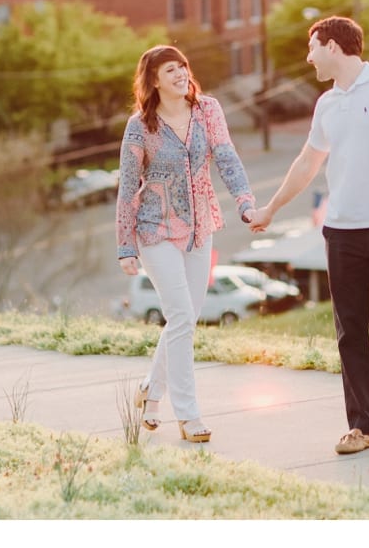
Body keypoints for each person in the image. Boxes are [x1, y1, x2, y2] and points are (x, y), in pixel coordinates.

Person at [249, 16, 369, 455]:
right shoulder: (326, 104)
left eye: (312, 48)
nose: (308, 58)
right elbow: (308, 162)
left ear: (331, 46)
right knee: (351, 332)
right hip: (342, 231)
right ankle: (361, 425)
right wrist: (272, 208)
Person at [115, 44, 258, 443]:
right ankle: (189, 415)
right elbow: (128, 187)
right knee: (180, 317)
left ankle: (150, 391)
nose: (180, 75)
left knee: (185, 319)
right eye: (170, 70)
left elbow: (226, 159)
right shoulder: (140, 127)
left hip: (201, 227)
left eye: (182, 67)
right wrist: (125, 246)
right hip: (155, 230)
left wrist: (245, 202)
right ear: (154, 80)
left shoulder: (208, 111)